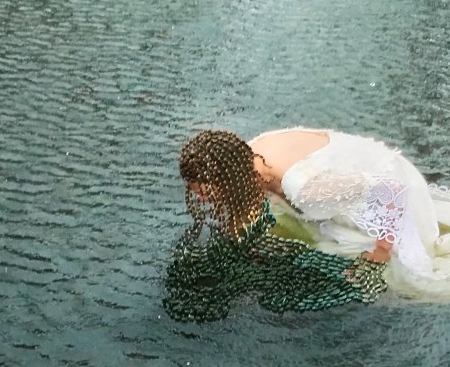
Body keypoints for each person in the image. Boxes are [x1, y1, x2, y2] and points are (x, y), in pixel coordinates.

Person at [179, 128, 450, 302]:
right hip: (344, 182)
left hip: (390, 198)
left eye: (206, 192)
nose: (202, 200)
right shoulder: (241, 157)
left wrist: (380, 252)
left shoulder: (303, 188)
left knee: (408, 281)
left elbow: (392, 190)